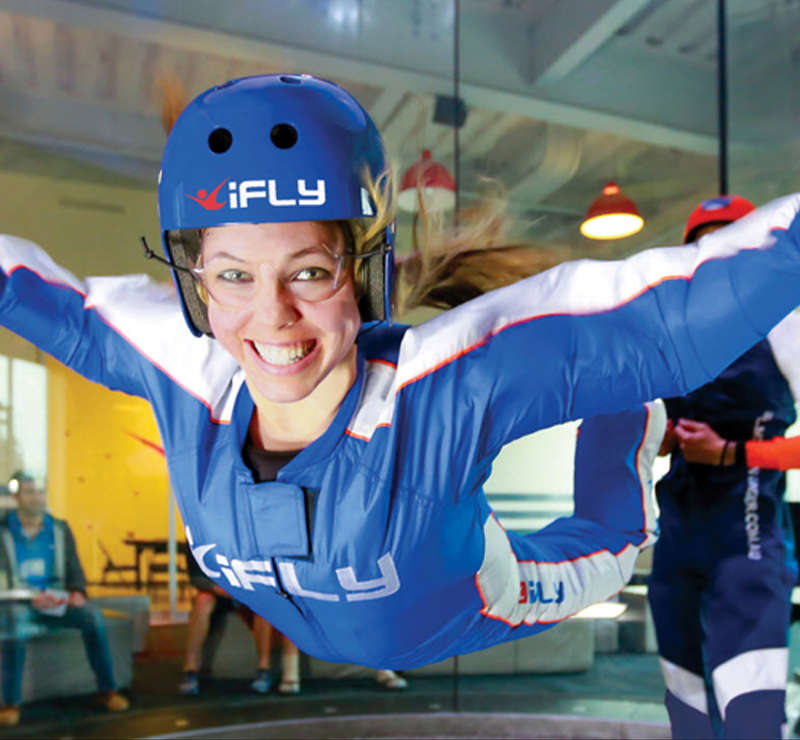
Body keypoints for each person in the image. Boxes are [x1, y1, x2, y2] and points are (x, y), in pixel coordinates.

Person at [1, 74, 800, 677]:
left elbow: (669, 322)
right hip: (335, 617)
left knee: (619, 522)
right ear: (196, 281)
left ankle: (633, 413)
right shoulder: (184, 364)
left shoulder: (444, 387)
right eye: (234, 276)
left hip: (474, 596)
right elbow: (33, 289)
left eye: (309, 272)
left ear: (362, 272)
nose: (272, 316)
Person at [648, 195, 800, 740]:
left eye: (732, 238)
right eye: (704, 243)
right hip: (676, 547)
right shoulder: (674, 333)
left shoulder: (787, 321)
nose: (717, 253)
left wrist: (733, 452)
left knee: (752, 719)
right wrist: (657, 438)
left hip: (747, 543)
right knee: (687, 716)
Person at [0, 472, 129, 726]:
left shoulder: (59, 528)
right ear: (16, 497)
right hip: (16, 601)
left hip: (55, 598)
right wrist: (29, 597)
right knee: (15, 622)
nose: (37, 497)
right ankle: (11, 703)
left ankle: (108, 690)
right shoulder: (3, 530)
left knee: (92, 616)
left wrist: (78, 593)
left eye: (40, 492)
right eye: (29, 492)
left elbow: (75, 570)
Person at [179, 552, 301, 695]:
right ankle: (190, 669)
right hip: (220, 591)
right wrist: (224, 591)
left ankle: (264, 668)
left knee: (265, 603)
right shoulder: (200, 532)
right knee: (202, 600)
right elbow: (197, 577)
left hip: (248, 589)